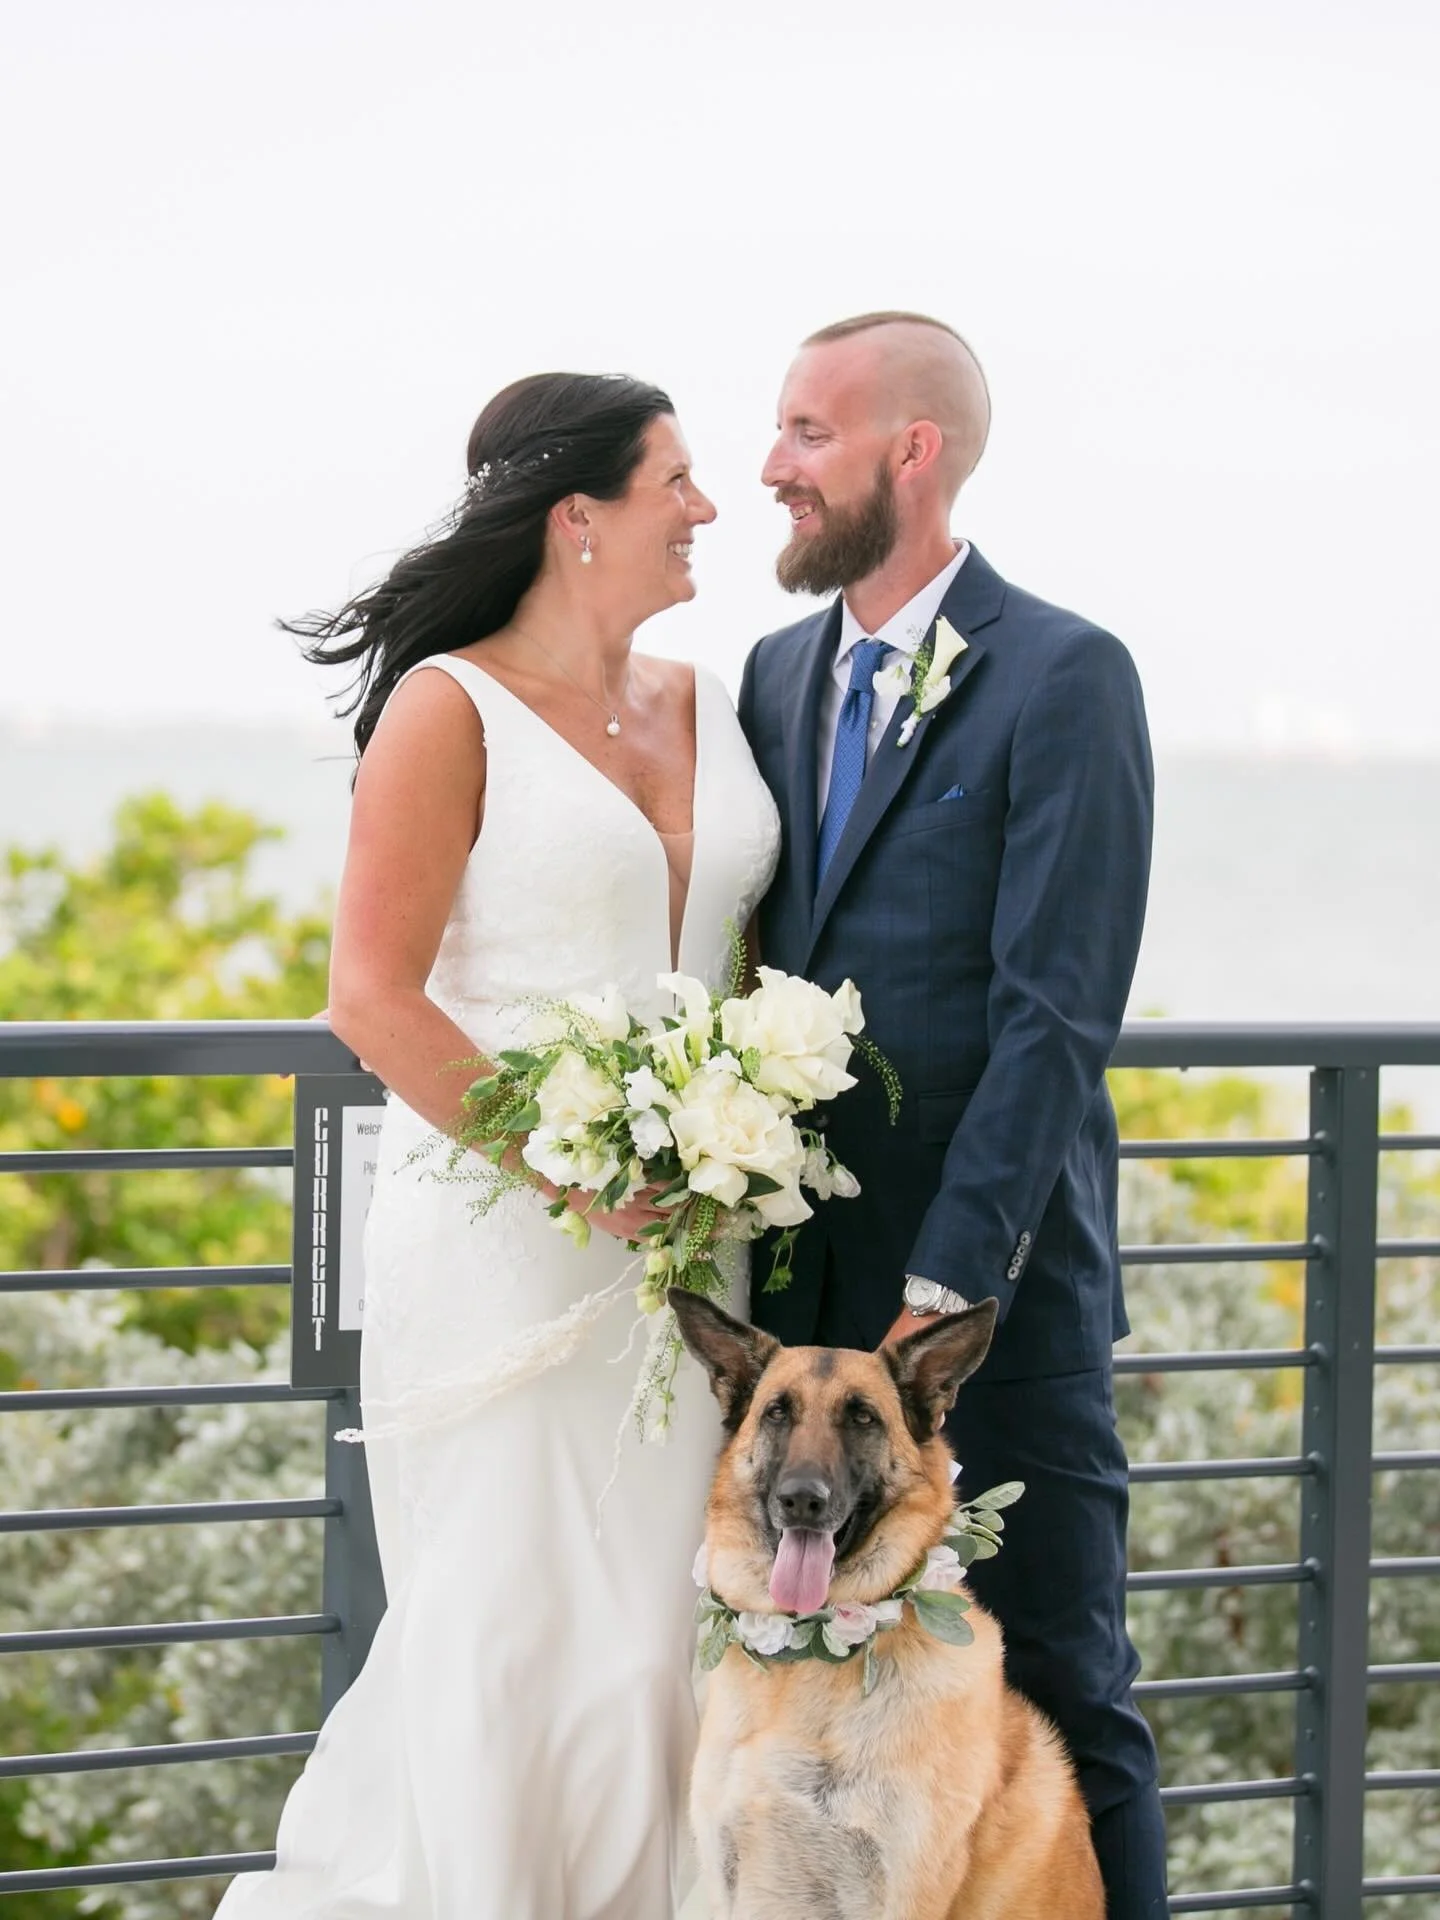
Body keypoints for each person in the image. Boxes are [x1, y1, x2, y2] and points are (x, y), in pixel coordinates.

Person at [216, 373, 779, 1918]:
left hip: (695, 1244)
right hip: (507, 1248)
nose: (709, 509)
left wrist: (736, 1133)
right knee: (513, 1617)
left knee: (668, 1627)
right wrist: (578, 1175)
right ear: (577, 515)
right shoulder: (445, 708)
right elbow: (373, 999)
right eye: (679, 478)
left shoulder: (711, 702)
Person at [737, 311, 1168, 1918]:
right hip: (797, 1321)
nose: (772, 467)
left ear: (909, 453)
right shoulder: (776, 677)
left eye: (806, 433)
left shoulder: (1066, 674)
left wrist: (949, 1282)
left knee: (1056, 1681)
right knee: (826, 1726)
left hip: (990, 1311)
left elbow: (1054, 1013)